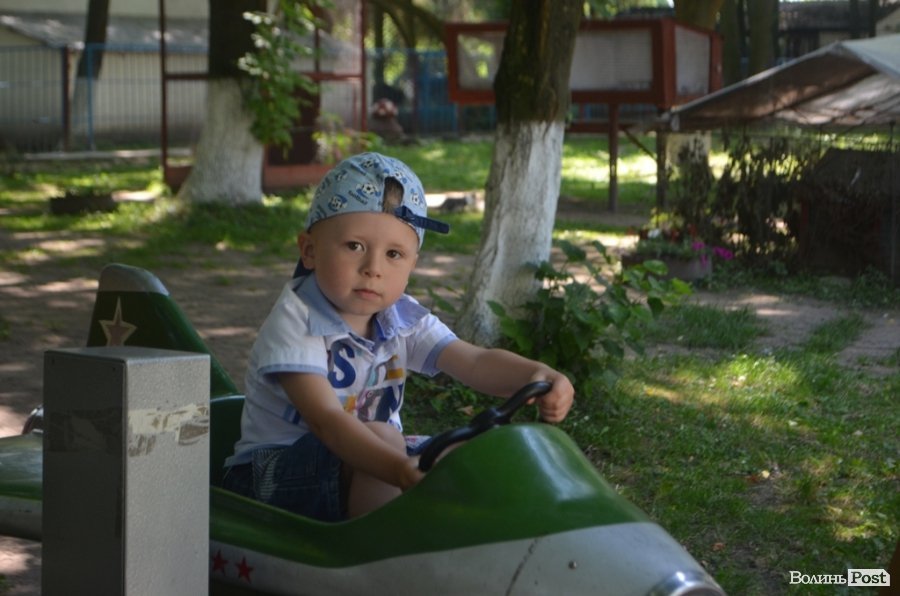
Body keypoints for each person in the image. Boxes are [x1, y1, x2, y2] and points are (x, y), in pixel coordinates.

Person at [222, 152, 574, 521]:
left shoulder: (401, 317)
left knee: (466, 453)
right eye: (354, 246)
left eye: (393, 254)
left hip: (363, 458)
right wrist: (395, 467)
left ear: (412, 265)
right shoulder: (296, 319)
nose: (373, 268)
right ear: (309, 251)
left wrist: (537, 375)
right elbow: (327, 420)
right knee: (387, 441)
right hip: (268, 479)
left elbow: (474, 361)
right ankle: (376, 550)